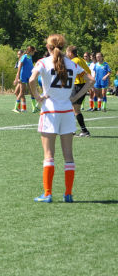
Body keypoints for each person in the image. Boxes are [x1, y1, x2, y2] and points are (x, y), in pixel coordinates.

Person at [29, 34, 93, 203]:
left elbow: (32, 80)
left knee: (49, 155)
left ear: (48, 47)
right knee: (68, 156)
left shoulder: (42, 62)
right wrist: (75, 97)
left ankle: (48, 194)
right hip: (67, 111)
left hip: (50, 111)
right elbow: (90, 80)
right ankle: (68, 194)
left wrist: (37, 97)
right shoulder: (72, 63)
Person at [66, 46, 92, 137]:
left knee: (75, 109)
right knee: (73, 108)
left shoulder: (74, 61)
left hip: (78, 85)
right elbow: (88, 72)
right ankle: (72, 130)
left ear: (70, 53)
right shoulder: (80, 59)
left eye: (67, 52)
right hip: (82, 85)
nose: (66, 54)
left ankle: (84, 131)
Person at [13, 46, 37, 113]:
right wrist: (18, 77)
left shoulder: (30, 57)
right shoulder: (24, 56)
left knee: (32, 91)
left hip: (29, 76)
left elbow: (30, 66)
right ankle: (15, 108)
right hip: (23, 76)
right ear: (30, 51)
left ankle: (34, 108)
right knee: (21, 92)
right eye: (33, 51)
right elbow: (19, 66)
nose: (34, 53)